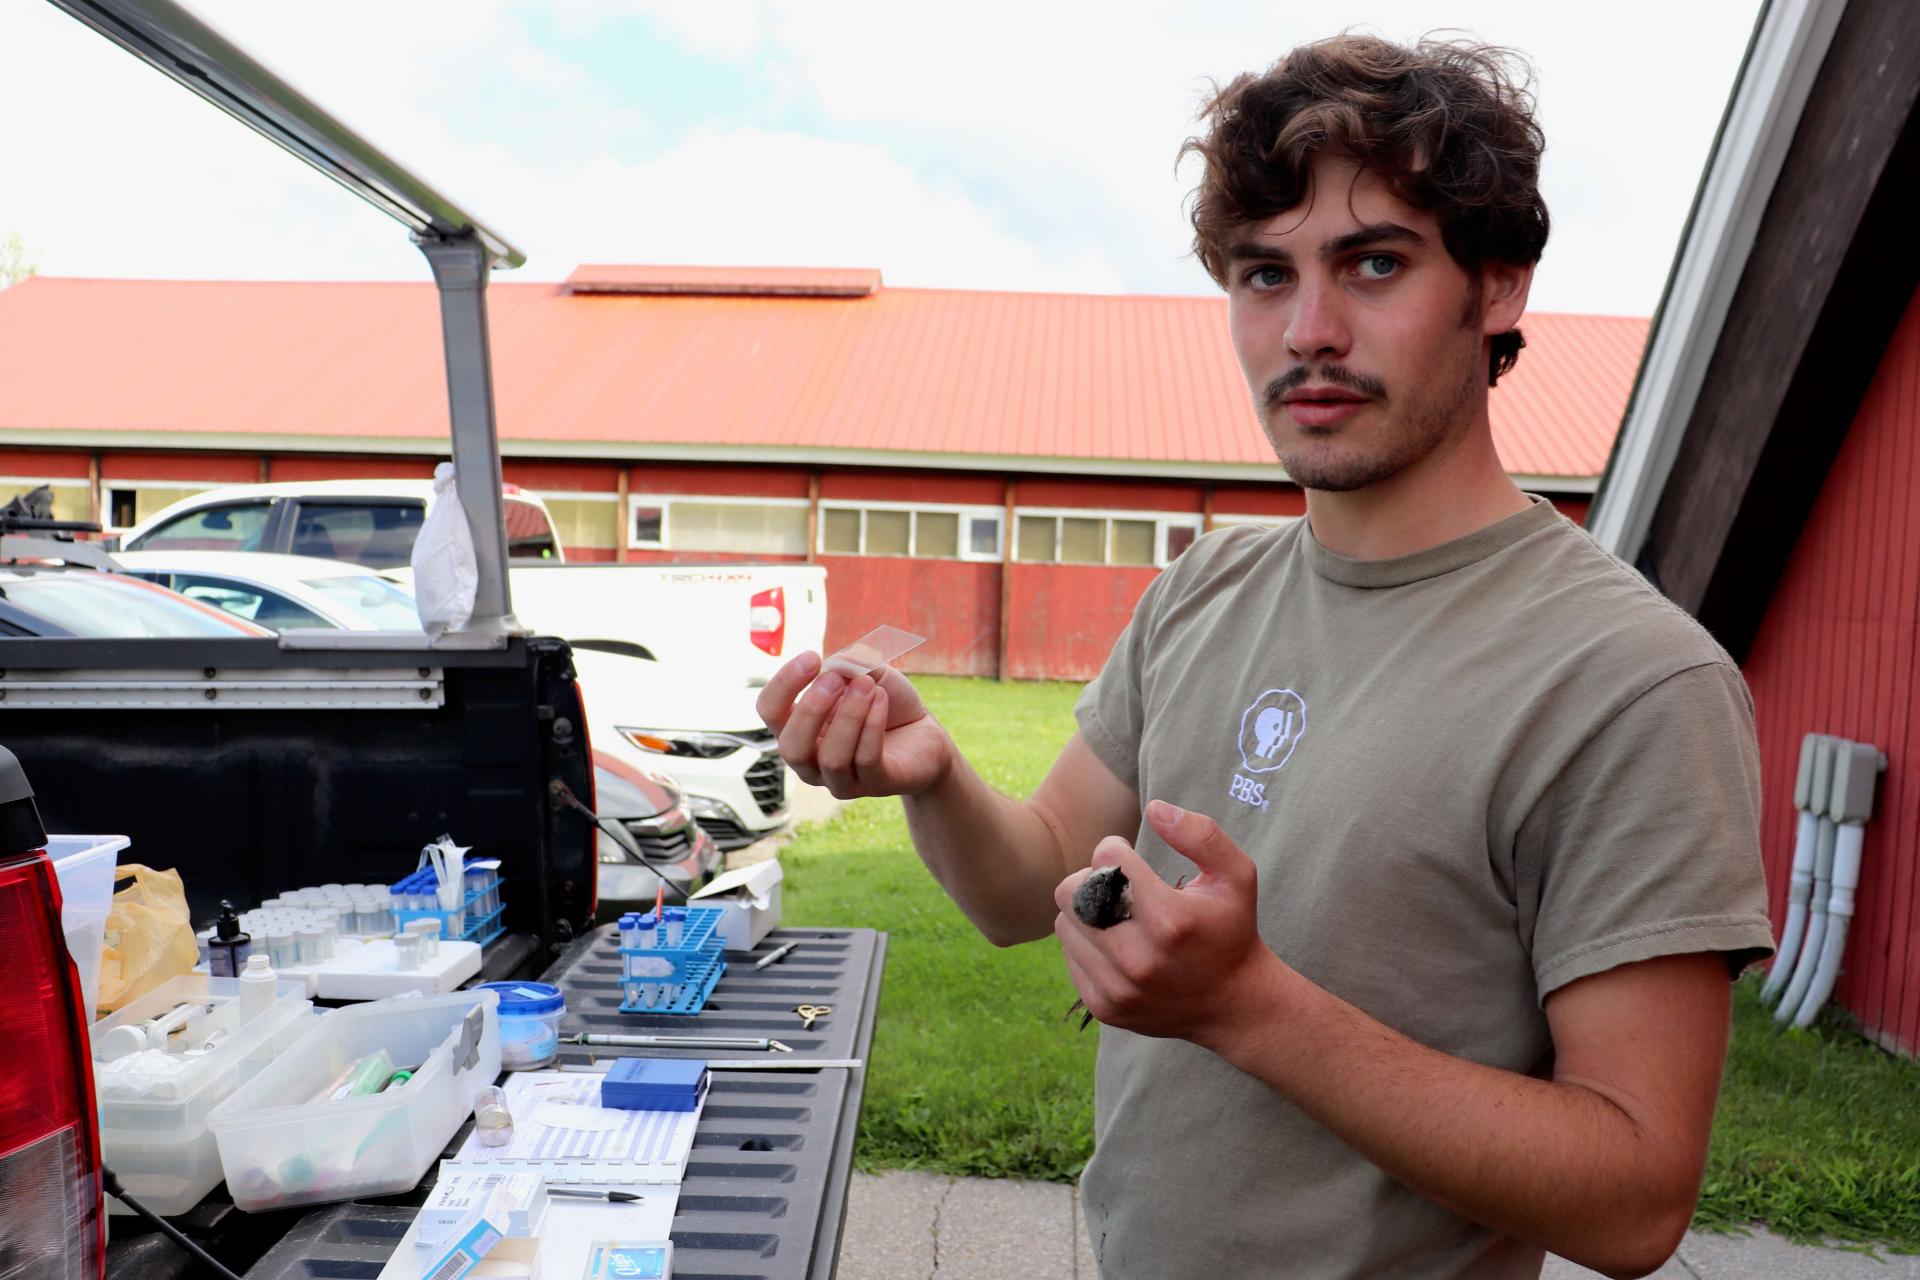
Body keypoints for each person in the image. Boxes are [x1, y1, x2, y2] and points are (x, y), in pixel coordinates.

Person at [759, 33, 1773, 1280]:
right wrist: (931, 774)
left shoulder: (1631, 681)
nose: (1309, 329)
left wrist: (1250, 1007)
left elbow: (1632, 1199)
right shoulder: (1205, 586)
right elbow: (1026, 889)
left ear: (1498, 286)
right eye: (1261, 274)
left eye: (1376, 263)